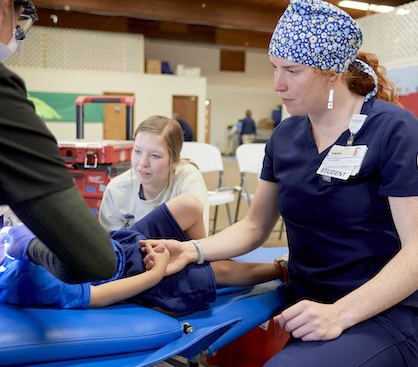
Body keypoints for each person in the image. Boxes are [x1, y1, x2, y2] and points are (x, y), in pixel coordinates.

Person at [141, 0, 418, 365]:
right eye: (274, 68)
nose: (277, 84)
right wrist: (194, 250)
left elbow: (415, 253)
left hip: (379, 310)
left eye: (292, 71)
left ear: (332, 72)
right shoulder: (285, 137)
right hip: (305, 300)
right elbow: (255, 226)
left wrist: (341, 313)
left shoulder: (393, 129)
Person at [0, 0, 117, 298]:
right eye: (18, 24)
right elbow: (96, 260)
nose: (14, 36)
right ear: (1, 9)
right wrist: (27, 245)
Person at [0, 194, 287, 315]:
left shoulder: (0, 243)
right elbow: (95, 296)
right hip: (138, 276)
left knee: (190, 206)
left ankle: (204, 261)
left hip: (121, 242)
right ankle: (280, 269)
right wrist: (155, 273)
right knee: (225, 271)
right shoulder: (18, 281)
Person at [99, 115, 210, 232]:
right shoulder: (116, 190)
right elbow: (111, 246)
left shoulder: (188, 181)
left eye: (155, 156)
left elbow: (199, 244)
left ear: (174, 161)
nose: (142, 163)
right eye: (137, 151)